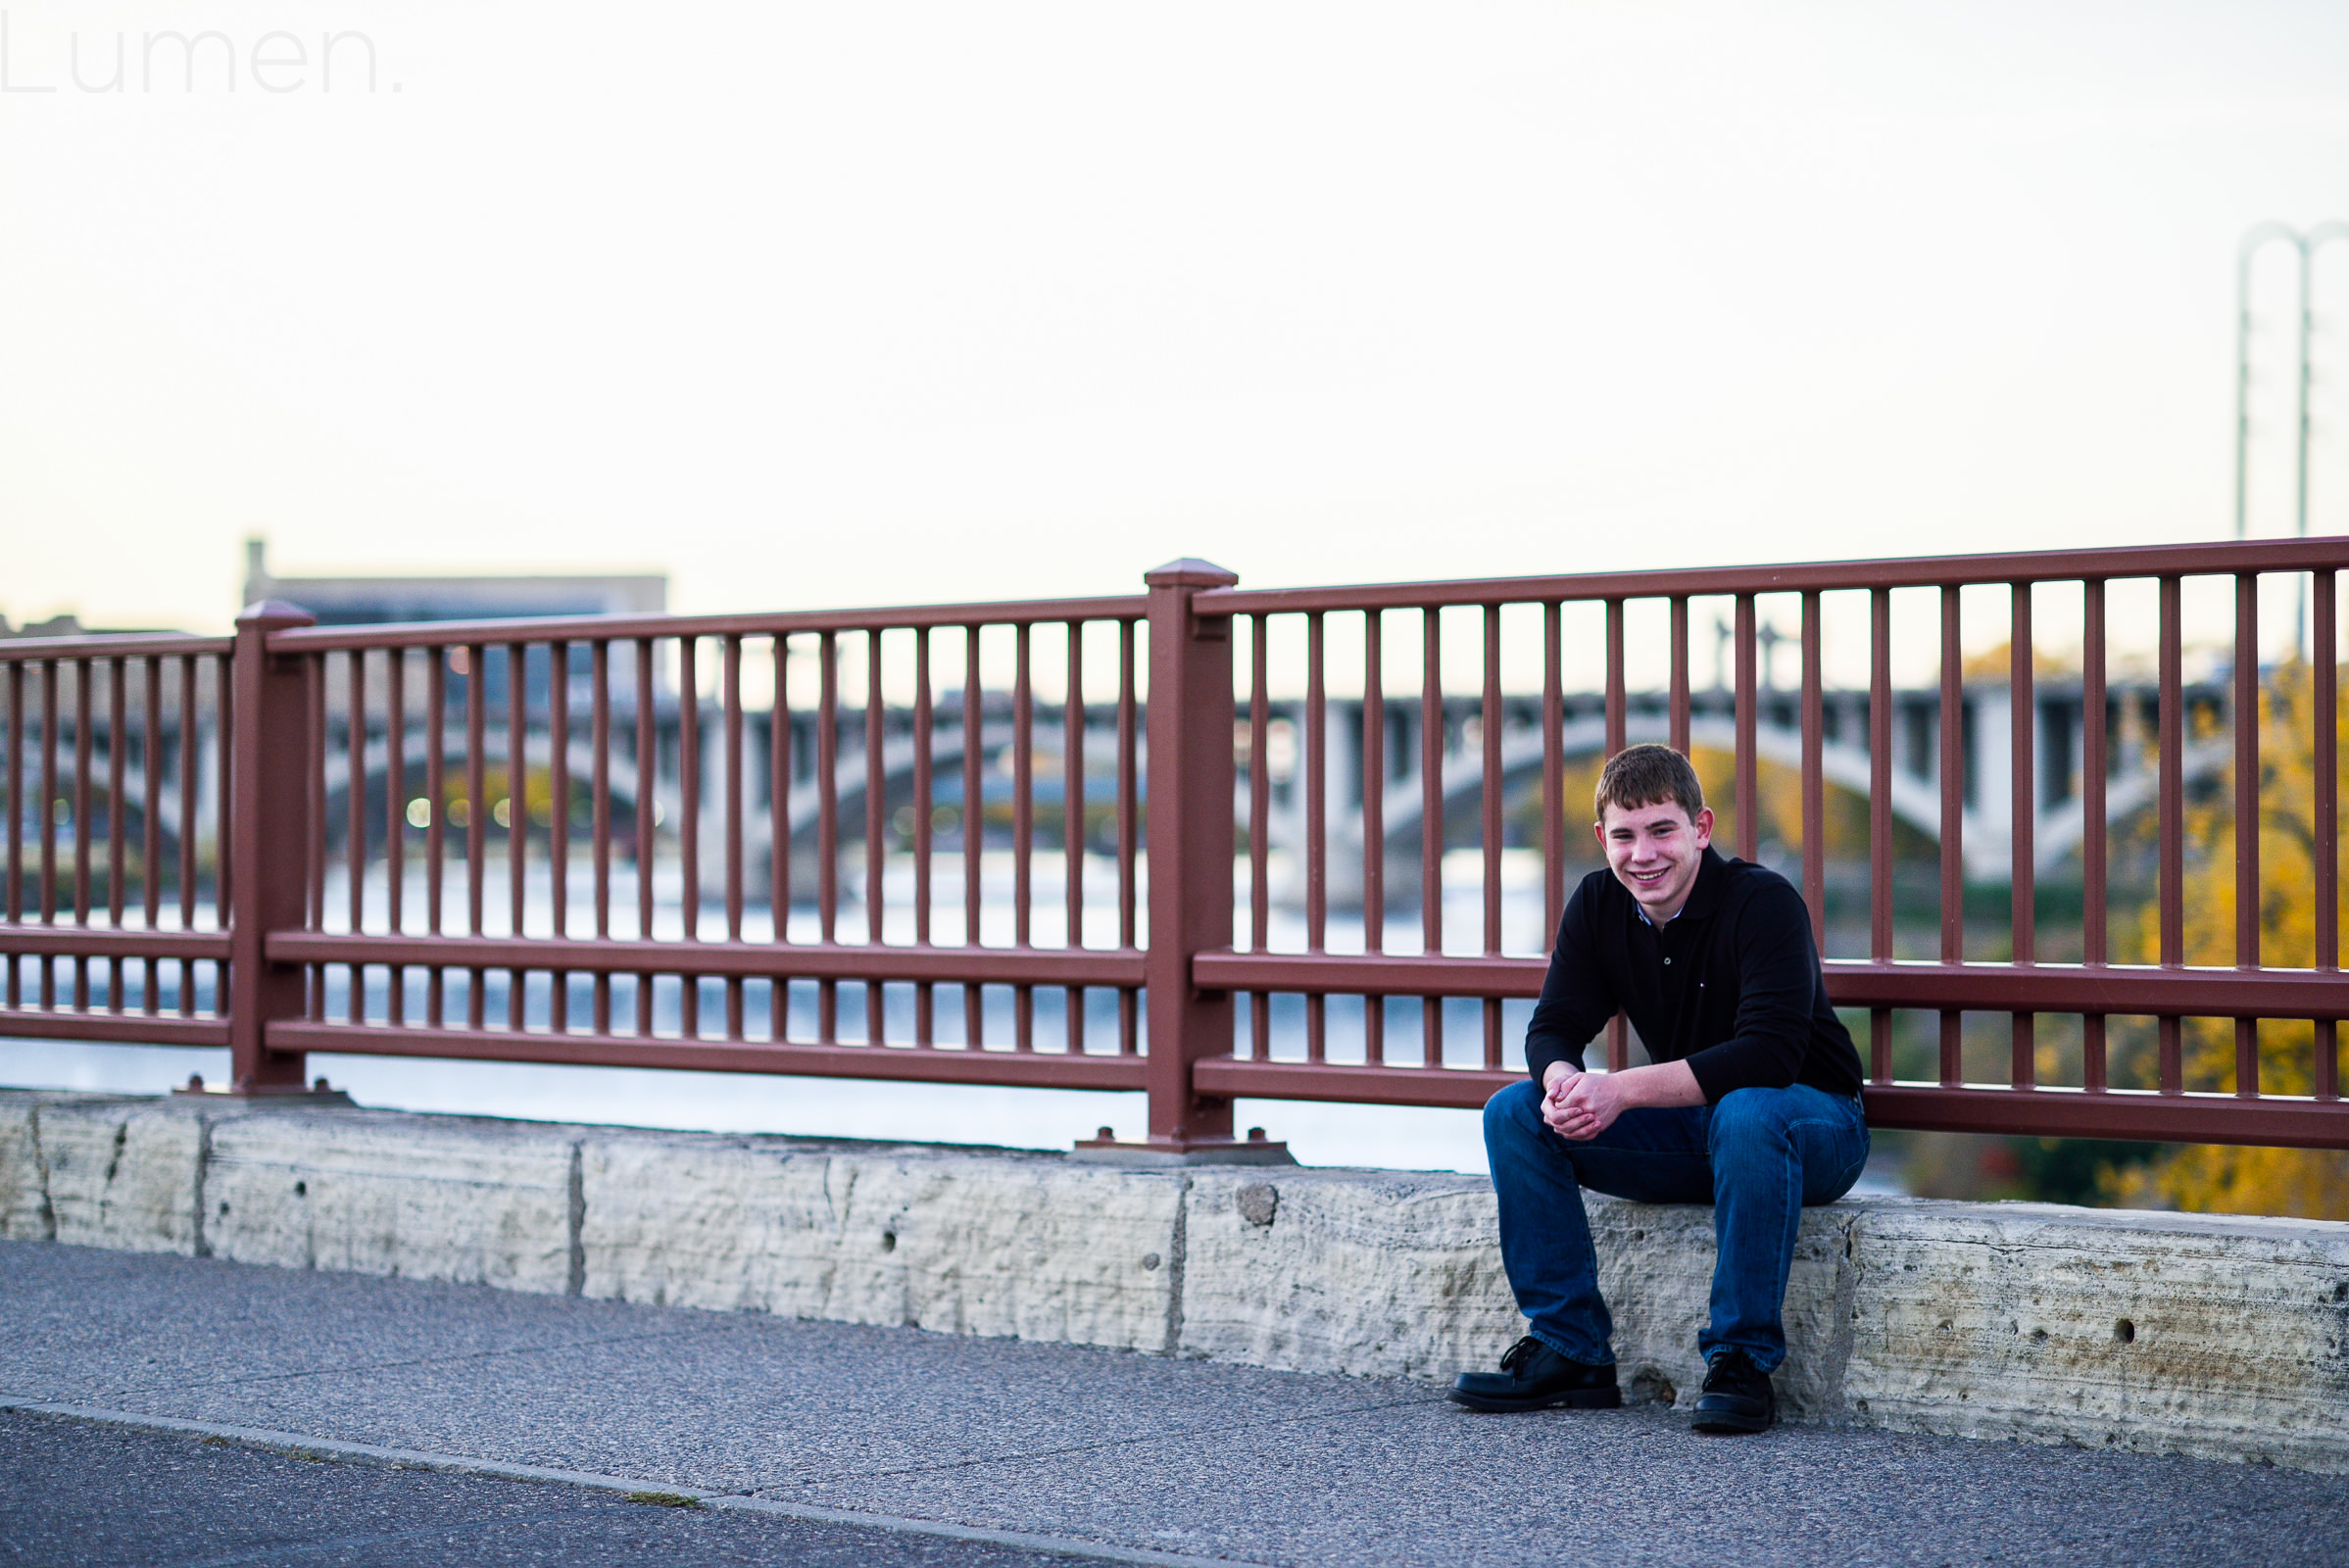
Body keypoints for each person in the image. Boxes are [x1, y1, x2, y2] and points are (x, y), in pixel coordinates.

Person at [1448, 744, 1868, 1435]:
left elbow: (1768, 1055)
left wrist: (1620, 1090)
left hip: (1809, 1127)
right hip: (1698, 1132)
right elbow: (1551, 1028)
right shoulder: (1597, 904)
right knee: (1516, 1113)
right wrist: (1564, 1084)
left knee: (1748, 1111)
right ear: (1601, 839)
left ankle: (1739, 1358)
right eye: (1623, 835)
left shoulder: (1761, 903)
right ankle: (1569, 1349)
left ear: (1700, 828)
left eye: (1661, 830)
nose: (1642, 854)